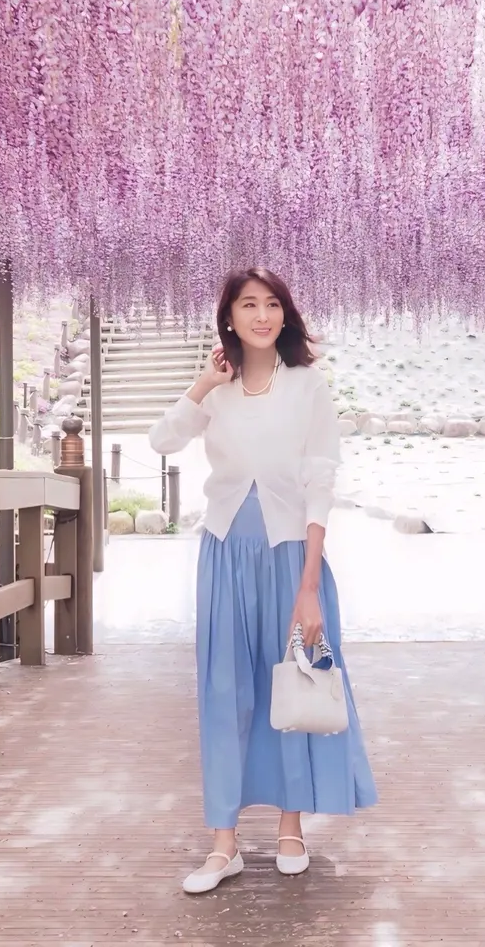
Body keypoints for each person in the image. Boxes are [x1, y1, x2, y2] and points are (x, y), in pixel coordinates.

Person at [149, 266, 377, 894]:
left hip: (288, 556)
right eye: (249, 305)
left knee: (289, 685)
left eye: (272, 304)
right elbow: (162, 440)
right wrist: (201, 384)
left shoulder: (307, 386)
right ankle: (223, 843)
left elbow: (320, 482)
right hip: (225, 554)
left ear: (285, 315)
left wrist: (309, 585)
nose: (262, 316)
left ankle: (289, 826)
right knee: (225, 692)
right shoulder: (217, 391)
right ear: (229, 317)